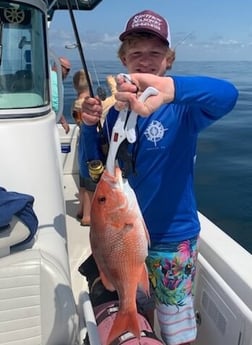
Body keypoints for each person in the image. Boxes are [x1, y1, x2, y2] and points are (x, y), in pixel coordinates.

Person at [81, 10, 238, 345]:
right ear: (124, 59)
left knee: (177, 326)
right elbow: (93, 166)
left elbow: (228, 95)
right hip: (122, 235)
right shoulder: (113, 112)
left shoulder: (184, 108)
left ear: (169, 60)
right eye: (137, 53)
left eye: (156, 53)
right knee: (138, 310)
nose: (146, 60)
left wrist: (168, 89)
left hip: (172, 238)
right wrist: (87, 126)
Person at [72, 70, 117, 226]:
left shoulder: (77, 103)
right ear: (90, 84)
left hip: (82, 144)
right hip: (93, 143)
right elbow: (115, 99)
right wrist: (112, 82)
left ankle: (81, 209)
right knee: (93, 182)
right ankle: (88, 217)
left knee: (84, 180)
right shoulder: (94, 104)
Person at [51, 56, 71, 134]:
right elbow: (55, 105)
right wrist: (64, 122)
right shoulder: (55, 79)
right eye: (67, 69)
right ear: (59, 66)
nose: (68, 73)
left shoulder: (50, 75)